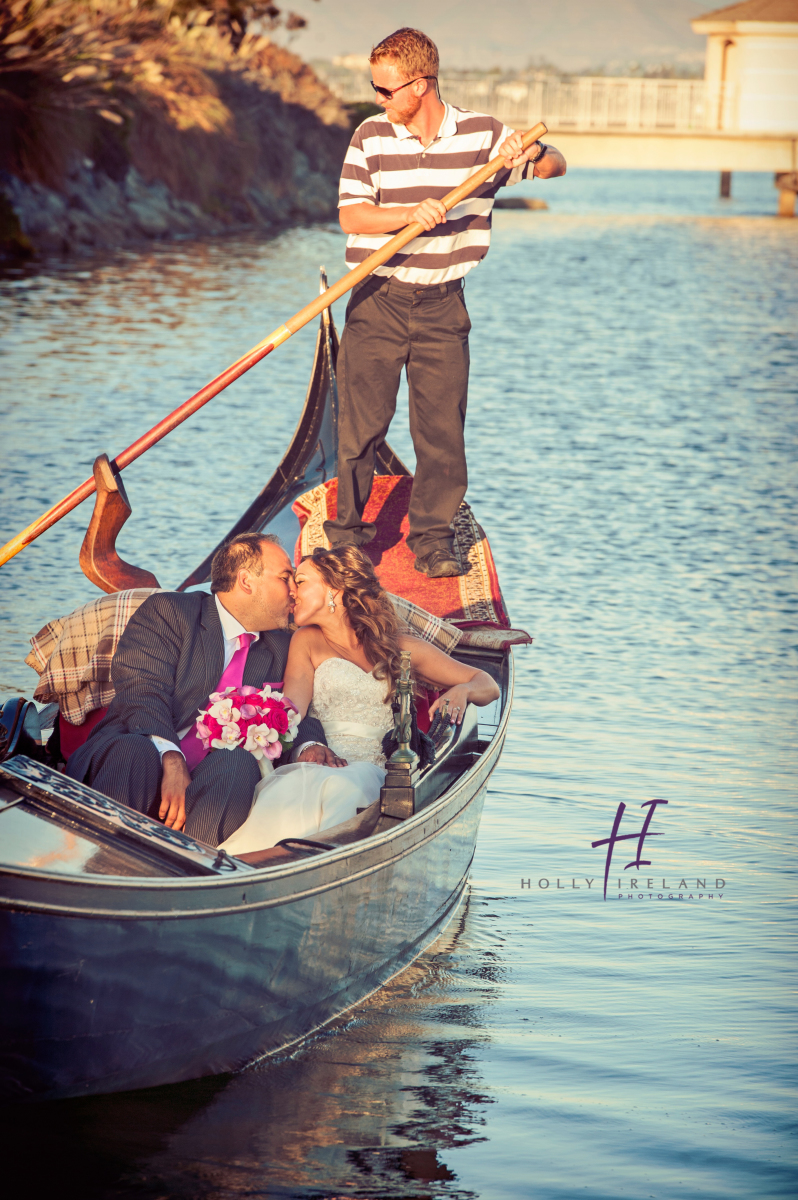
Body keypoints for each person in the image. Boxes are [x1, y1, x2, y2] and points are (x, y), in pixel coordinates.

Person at [324, 27, 566, 579]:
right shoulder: (371, 135)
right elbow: (352, 216)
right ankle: (348, 540)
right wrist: (405, 216)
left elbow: (556, 167)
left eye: (385, 90)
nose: (377, 100)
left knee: (441, 434)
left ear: (421, 83)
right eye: (374, 89)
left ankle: (432, 541)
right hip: (376, 297)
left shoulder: (483, 135)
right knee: (361, 430)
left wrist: (531, 152)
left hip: (442, 307)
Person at [219, 545, 500, 862]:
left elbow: (487, 684)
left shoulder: (401, 647)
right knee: (299, 790)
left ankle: (271, 859)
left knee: (348, 788)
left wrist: (461, 691)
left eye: (302, 581)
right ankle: (252, 861)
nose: (292, 591)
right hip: (321, 762)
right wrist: (272, 731)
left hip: (378, 771)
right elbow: (290, 712)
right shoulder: (306, 641)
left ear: (334, 591)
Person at [66, 533, 335, 845]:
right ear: (246, 581)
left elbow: (292, 710)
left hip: (214, 781)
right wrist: (171, 757)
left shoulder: (282, 644)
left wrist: (309, 746)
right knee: (135, 750)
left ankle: (193, 873)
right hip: (140, 755)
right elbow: (142, 691)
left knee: (239, 761)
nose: (294, 591)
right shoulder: (170, 611)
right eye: (285, 577)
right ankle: (100, 857)